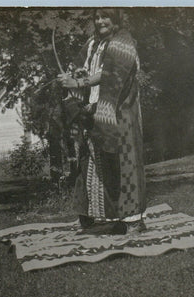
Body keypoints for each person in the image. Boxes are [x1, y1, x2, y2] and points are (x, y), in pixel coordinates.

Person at [57, 8, 146, 235]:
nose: (100, 21)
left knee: (125, 163)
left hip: (120, 111)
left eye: (105, 16)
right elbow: (82, 66)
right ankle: (94, 216)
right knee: (91, 163)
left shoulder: (123, 42)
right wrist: (70, 76)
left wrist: (78, 84)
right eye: (96, 17)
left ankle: (134, 220)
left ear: (115, 19)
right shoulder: (93, 43)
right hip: (96, 110)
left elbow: (108, 74)